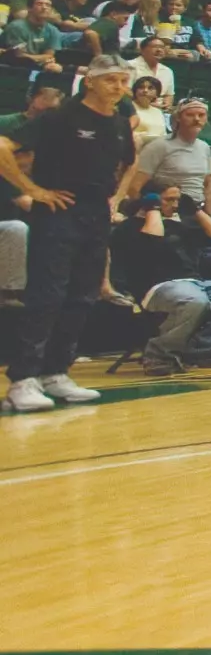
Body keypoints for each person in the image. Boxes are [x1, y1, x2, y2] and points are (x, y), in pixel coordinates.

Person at [0, 57, 134, 412]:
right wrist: (34, 190)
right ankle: (23, 379)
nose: (119, 88)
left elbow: (131, 163)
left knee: (82, 295)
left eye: (123, 81)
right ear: (90, 81)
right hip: (59, 211)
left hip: (96, 214)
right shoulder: (60, 117)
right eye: (111, 81)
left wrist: (117, 198)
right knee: (48, 293)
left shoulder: (121, 124)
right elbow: (2, 148)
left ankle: (56, 372)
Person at [111, 186, 211, 375]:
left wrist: (196, 210)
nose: (174, 205)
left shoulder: (176, 226)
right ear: (150, 201)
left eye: (177, 200)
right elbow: (152, 239)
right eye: (168, 200)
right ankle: (158, 353)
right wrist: (152, 208)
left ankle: (203, 350)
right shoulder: (128, 227)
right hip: (157, 287)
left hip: (194, 283)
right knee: (196, 301)